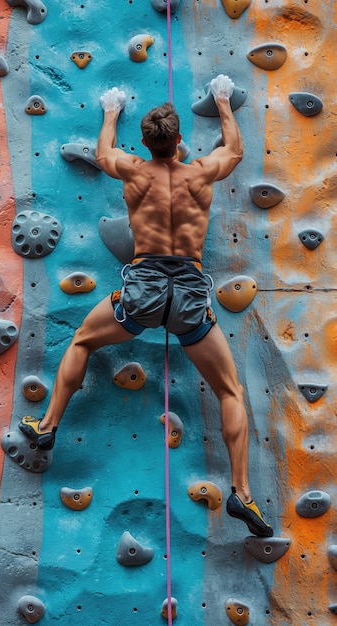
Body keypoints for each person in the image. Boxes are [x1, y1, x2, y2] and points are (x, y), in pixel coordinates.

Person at [19, 75, 273, 538]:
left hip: (144, 289)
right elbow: (233, 153)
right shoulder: (200, 174)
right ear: (179, 140)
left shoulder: (134, 170)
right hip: (190, 294)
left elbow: (102, 155)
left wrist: (111, 112)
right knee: (230, 392)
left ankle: (48, 424)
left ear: (145, 141)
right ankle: (242, 492)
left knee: (82, 341)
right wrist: (222, 102)